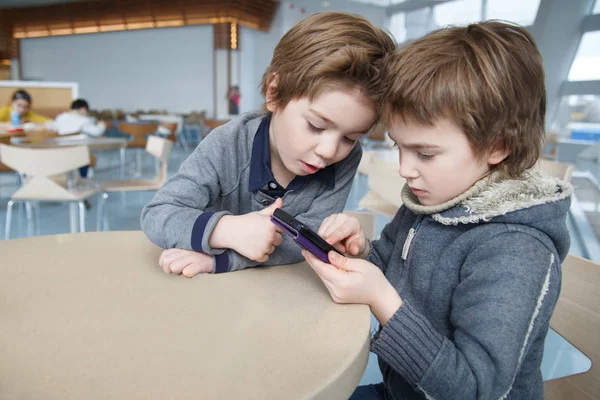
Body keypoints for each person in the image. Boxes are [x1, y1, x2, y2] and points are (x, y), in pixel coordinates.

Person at [303, 21, 571, 400]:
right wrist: (360, 251)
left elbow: (475, 389)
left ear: (497, 146)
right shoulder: (432, 201)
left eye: (425, 153)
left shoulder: (517, 250)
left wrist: (382, 300)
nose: (405, 168)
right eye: (399, 146)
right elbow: (391, 263)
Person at [141, 11, 395, 277]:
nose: (330, 151)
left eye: (350, 138)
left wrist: (224, 261)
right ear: (274, 92)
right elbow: (159, 214)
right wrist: (225, 230)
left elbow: (306, 242)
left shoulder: (346, 158)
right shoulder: (229, 143)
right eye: (316, 126)